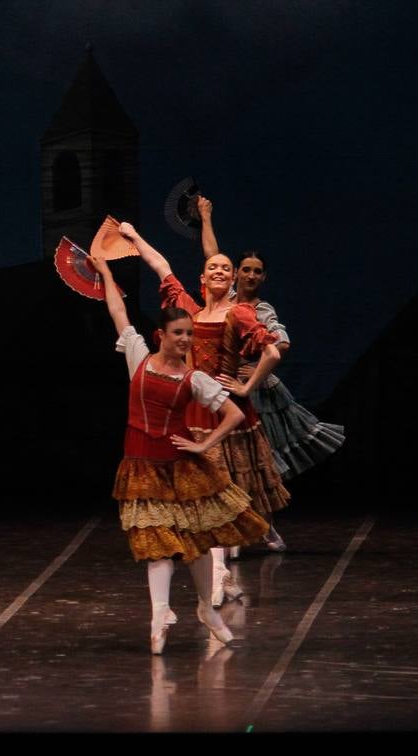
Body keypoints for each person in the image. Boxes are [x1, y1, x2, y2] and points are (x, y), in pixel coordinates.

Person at [94, 256, 267, 653]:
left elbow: (234, 412)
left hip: (182, 468)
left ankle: (207, 608)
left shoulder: (195, 378)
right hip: (142, 465)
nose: (187, 340)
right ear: (162, 335)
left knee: (200, 543)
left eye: (190, 333)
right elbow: (117, 310)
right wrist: (105, 273)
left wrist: (204, 444)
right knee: (158, 545)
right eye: (179, 334)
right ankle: (160, 613)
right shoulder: (138, 356)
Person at [121, 221, 287, 594]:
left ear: (232, 280)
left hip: (225, 411)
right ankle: (218, 572)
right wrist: (134, 239)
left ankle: (223, 567)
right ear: (202, 276)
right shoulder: (189, 313)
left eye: (226, 268)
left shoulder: (240, 313)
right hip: (192, 412)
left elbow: (273, 350)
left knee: (224, 494)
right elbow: (162, 268)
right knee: (202, 495)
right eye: (213, 266)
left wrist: (246, 384)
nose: (219, 270)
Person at [197, 197, 345, 507]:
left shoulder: (261, 309)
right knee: (228, 454)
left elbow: (282, 343)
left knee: (259, 456)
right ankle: (242, 519)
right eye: (246, 270)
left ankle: (262, 520)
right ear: (236, 273)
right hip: (225, 385)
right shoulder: (228, 298)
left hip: (258, 393)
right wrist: (205, 216)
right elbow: (212, 254)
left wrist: (253, 368)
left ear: (264, 277)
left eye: (257, 272)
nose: (251, 276)